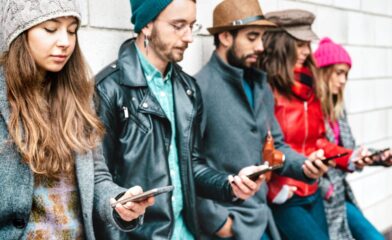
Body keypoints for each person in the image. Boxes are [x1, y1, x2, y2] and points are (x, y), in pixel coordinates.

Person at [94, 0, 266, 239]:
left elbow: (191, 165)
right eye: (178, 26)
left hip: (187, 233)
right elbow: (96, 182)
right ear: (146, 25)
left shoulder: (188, 89)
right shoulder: (108, 89)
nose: (189, 37)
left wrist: (230, 184)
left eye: (191, 26)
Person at [0, 0, 153, 239]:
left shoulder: (79, 95)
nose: (65, 42)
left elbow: (96, 177)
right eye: (51, 29)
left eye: (72, 30)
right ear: (19, 33)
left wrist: (118, 202)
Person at [195, 2, 327, 239]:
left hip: (262, 217)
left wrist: (306, 165)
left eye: (262, 38)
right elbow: (189, 163)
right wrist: (217, 222)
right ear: (225, 37)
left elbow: (276, 146)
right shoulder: (199, 89)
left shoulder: (260, 85)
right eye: (252, 37)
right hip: (230, 224)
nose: (260, 46)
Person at [258, 9, 365, 240]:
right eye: (300, 44)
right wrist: (273, 189)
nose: (308, 52)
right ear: (281, 44)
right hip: (285, 196)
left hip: (312, 190)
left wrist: (351, 157)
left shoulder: (311, 86)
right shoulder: (265, 87)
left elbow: (318, 141)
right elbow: (261, 146)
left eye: (308, 44)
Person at [314, 37, 392, 240]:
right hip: (319, 196)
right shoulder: (310, 108)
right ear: (323, 72)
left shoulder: (337, 109)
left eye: (346, 74)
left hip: (340, 195)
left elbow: (350, 151)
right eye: (338, 73)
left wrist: (379, 156)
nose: (343, 80)